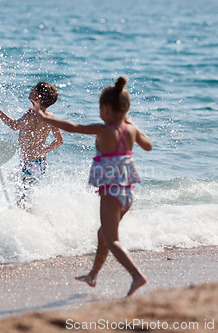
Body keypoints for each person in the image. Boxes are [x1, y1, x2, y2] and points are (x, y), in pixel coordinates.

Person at [34, 77, 153, 296]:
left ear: (105, 109)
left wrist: (44, 117)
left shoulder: (105, 130)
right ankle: (93, 275)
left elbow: (73, 127)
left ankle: (137, 276)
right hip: (127, 191)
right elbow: (148, 146)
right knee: (103, 234)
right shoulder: (131, 129)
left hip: (110, 191)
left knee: (111, 239)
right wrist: (130, 123)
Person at [0, 82, 63, 211]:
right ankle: (32, 212)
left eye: (34, 89)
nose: (30, 89)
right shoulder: (51, 116)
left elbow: (14, 125)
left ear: (38, 98)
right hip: (40, 163)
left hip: (30, 164)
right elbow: (59, 141)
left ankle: (30, 221)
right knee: (13, 182)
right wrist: (43, 151)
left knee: (21, 198)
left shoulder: (31, 114)